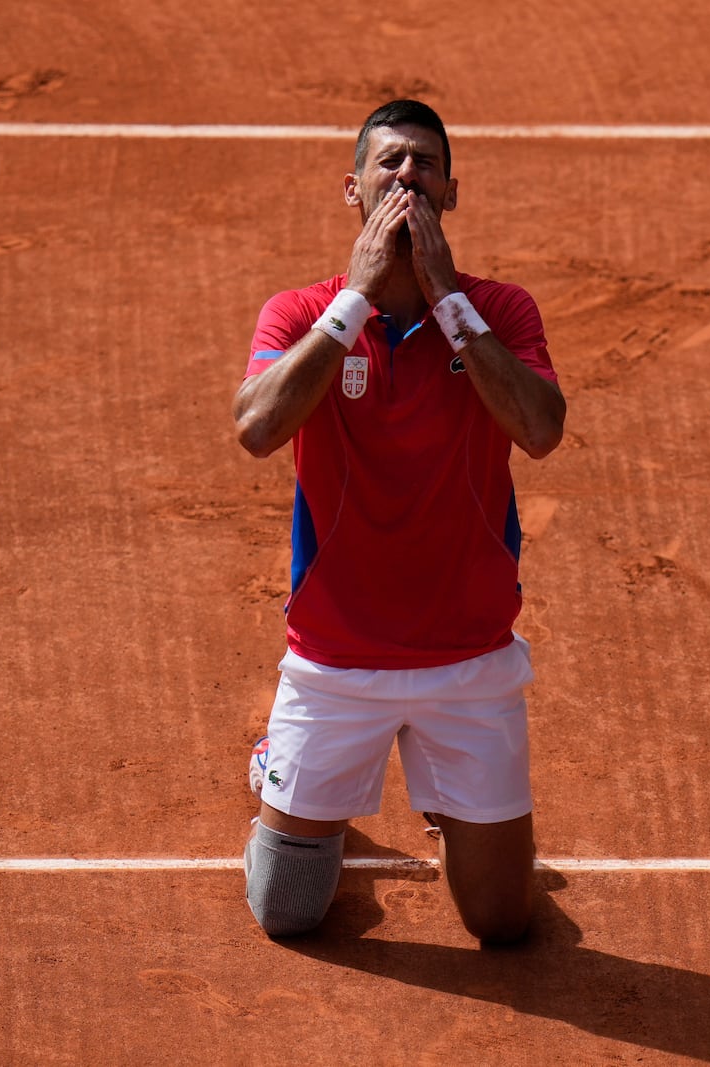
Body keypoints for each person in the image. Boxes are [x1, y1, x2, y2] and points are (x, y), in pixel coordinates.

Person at [232, 99, 566, 945]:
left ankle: (451, 809)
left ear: (451, 192)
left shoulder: (504, 308)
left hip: (470, 658)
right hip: (336, 659)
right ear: (354, 189)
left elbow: (540, 429)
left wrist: (450, 299)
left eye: (424, 165)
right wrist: (350, 302)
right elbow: (258, 429)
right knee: (287, 910)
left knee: (500, 923)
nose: (407, 176)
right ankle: (284, 768)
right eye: (389, 164)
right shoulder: (299, 311)